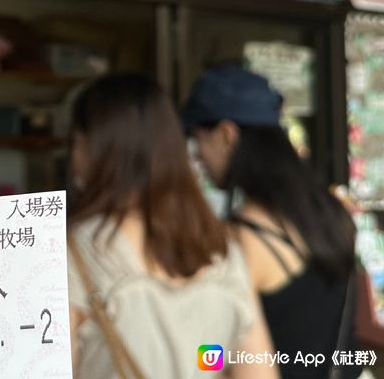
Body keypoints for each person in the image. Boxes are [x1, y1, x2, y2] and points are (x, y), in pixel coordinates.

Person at [67, 74, 276, 379]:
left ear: (89, 146)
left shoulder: (74, 254)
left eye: (74, 143)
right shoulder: (222, 253)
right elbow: (256, 372)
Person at [184, 65, 358, 379]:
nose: (199, 159)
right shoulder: (332, 212)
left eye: (199, 142)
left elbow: (219, 357)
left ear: (226, 135)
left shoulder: (245, 235)